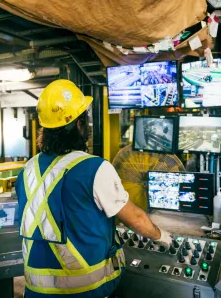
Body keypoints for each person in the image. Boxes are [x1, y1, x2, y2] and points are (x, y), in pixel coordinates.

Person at [15, 79, 172, 298]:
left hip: (35, 291)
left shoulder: (27, 170)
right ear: (79, 125)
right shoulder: (94, 168)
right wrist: (161, 236)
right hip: (87, 291)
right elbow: (135, 219)